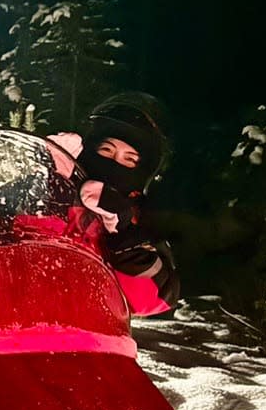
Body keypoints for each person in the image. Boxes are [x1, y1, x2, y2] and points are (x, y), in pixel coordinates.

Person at [50, 92, 180, 316]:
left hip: (91, 327)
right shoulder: (58, 192)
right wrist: (48, 180)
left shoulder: (141, 223)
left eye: (129, 159)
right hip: (21, 318)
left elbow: (157, 298)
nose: (114, 162)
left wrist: (123, 238)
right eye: (107, 150)